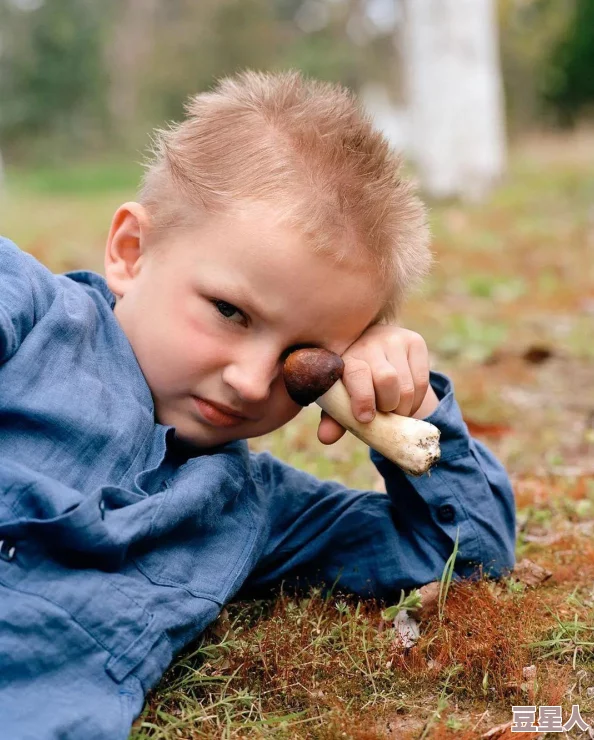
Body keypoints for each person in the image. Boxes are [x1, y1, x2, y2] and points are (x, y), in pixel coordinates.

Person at [0, 70, 515, 740]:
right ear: (131, 251)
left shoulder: (249, 508)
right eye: (229, 311)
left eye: (306, 363)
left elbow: (465, 551)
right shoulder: (32, 316)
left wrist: (405, 406)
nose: (250, 381)